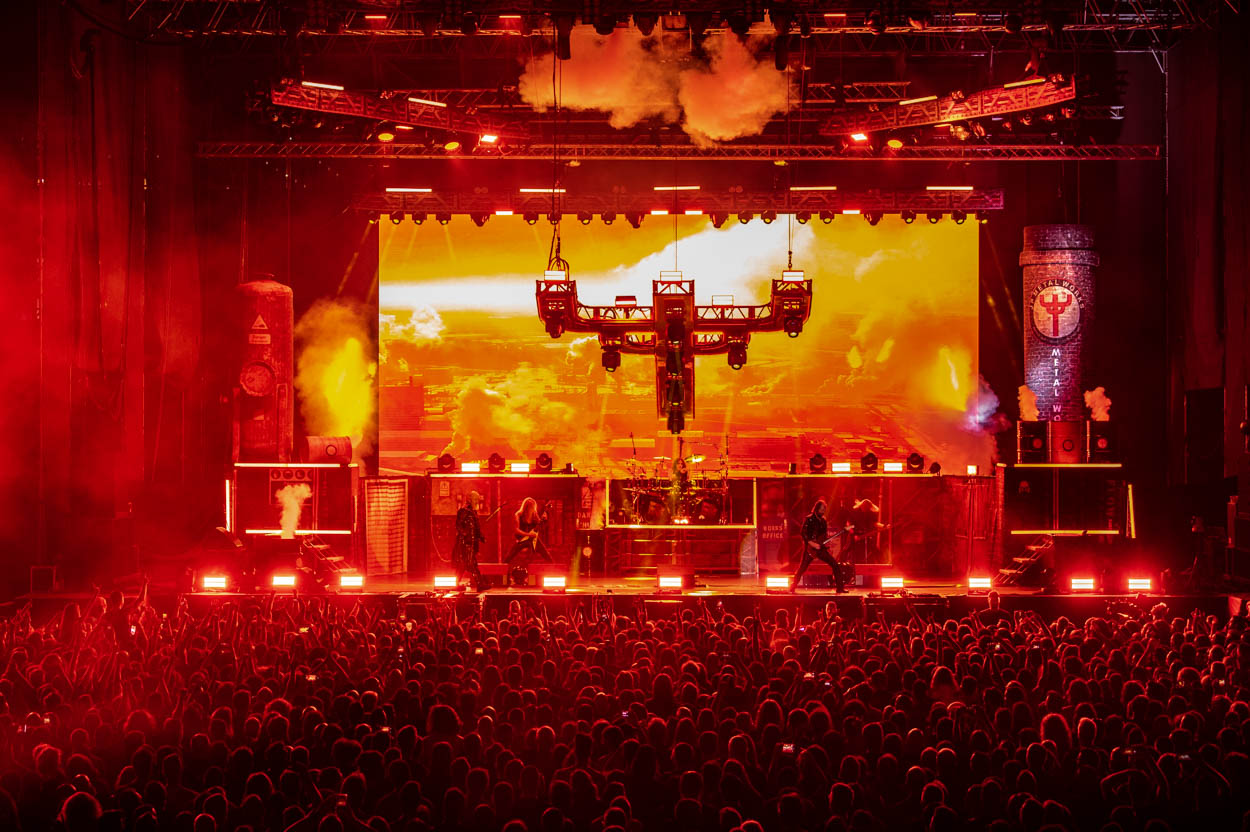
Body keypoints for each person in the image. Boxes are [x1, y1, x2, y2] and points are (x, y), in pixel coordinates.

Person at [792, 499, 845, 592]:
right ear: (816, 509)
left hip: (820, 549)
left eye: (824, 509)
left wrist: (824, 543)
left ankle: (840, 588)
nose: (823, 511)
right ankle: (792, 587)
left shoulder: (823, 521)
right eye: (821, 509)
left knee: (835, 565)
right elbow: (803, 533)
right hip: (810, 549)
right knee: (802, 568)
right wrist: (812, 543)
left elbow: (823, 535)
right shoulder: (809, 519)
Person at [504, 498, 553, 568]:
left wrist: (545, 520)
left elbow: (540, 527)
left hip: (532, 539)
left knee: (546, 555)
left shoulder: (534, 515)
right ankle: (501, 571)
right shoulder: (518, 515)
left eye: (533, 508)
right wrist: (528, 534)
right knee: (509, 556)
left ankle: (554, 569)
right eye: (531, 508)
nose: (532, 510)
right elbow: (516, 530)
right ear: (526, 507)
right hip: (521, 539)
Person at [454, 491, 486, 590]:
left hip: (472, 543)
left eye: (477, 499)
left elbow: (476, 528)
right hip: (466, 543)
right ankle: (480, 584)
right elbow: (458, 525)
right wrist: (465, 534)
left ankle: (456, 584)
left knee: (464, 565)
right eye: (475, 499)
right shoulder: (463, 511)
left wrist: (481, 536)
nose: (477, 501)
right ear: (470, 500)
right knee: (471, 563)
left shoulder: (474, 513)